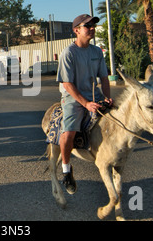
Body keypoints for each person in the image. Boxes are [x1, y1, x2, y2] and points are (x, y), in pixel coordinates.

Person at [56, 14, 113, 194]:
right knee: (69, 131)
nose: (91, 28)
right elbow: (67, 83)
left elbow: (104, 77)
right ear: (76, 31)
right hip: (73, 98)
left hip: (93, 95)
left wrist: (107, 97)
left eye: (93, 26)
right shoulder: (69, 53)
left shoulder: (97, 52)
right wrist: (86, 103)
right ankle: (66, 171)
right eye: (87, 26)